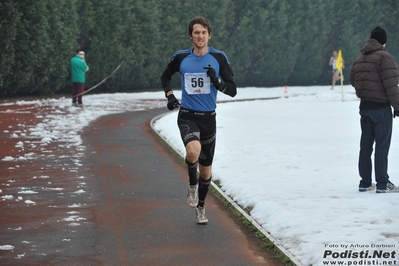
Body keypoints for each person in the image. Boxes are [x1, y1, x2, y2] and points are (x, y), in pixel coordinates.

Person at [160, 16, 237, 224]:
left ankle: (201, 207)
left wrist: (217, 81)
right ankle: (191, 184)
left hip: (209, 119)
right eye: (196, 33)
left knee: (206, 171)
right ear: (190, 36)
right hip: (188, 115)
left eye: (203, 32)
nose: (200, 36)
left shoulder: (219, 58)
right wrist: (169, 95)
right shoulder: (181, 57)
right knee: (192, 150)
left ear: (209, 35)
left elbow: (232, 90)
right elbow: (165, 76)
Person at [350, 26, 399, 193]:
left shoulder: (359, 57)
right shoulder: (385, 58)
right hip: (381, 108)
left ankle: (364, 182)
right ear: (383, 42)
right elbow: (391, 86)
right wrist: (397, 106)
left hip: (364, 107)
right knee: (382, 146)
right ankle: (382, 184)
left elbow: (353, 80)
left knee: (365, 146)